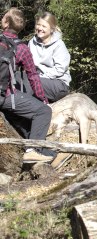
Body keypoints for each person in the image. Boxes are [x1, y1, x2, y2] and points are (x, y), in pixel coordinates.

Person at [0, 8, 53, 163]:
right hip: (5, 97)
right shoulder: (22, 48)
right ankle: (33, 150)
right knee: (43, 112)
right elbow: (33, 76)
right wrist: (43, 100)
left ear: (5, 22)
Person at [28, 12, 71, 103]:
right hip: (39, 79)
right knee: (18, 77)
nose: (40, 28)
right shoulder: (32, 42)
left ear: (51, 29)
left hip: (58, 83)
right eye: (38, 25)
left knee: (29, 81)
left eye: (44, 26)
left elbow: (60, 70)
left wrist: (39, 76)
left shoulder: (59, 45)